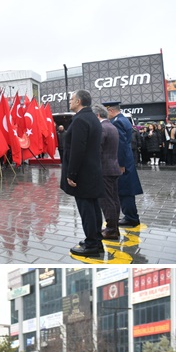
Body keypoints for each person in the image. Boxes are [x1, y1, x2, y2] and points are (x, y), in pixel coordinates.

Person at [61, 89, 105, 257]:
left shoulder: (80, 120)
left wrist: (72, 174)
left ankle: (91, 245)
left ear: (78, 101)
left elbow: (77, 150)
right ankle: (96, 241)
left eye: (72, 99)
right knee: (93, 207)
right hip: (92, 170)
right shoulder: (92, 117)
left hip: (83, 173)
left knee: (86, 209)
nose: (70, 101)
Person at [104, 101, 143, 227]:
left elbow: (120, 145)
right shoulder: (122, 119)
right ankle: (130, 216)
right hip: (126, 161)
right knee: (126, 190)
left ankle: (131, 218)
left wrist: (120, 164)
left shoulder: (117, 122)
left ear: (110, 110)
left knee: (125, 191)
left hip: (123, 163)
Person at [93, 104, 122, 240]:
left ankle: (111, 229)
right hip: (112, 167)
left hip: (104, 169)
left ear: (97, 115)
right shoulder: (111, 126)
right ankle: (114, 227)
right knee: (114, 200)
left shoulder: (102, 128)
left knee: (107, 201)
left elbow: (97, 150)